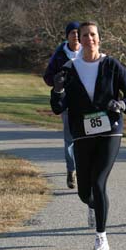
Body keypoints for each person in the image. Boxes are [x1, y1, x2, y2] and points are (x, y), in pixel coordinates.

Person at [50, 21, 126, 250]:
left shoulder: (111, 64)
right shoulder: (69, 68)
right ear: (77, 40)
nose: (89, 39)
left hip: (111, 129)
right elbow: (58, 107)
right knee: (84, 191)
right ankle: (93, 205)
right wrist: (58, 90)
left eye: (93, 34)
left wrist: (122, 104)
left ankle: (101, 235)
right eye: (84, 35)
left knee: (99, 183)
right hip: (82, 133)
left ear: (99, 38)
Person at [43, 21, 82, 189]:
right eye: (72, 33)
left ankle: (85, 170)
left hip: (86, 102)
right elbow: (47, 77)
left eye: (78, 32)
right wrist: (58, 81)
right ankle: (71, 171)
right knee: (70, 139)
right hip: (67, 101)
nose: (76, 36)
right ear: (67, 36)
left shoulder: (88, 51)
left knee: (86, 138)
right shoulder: (60, 55)